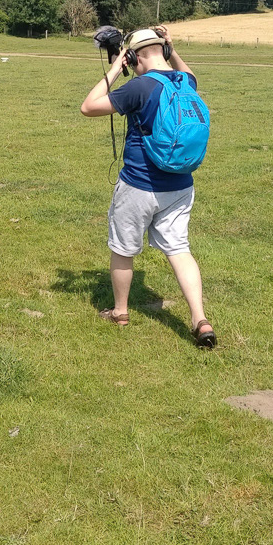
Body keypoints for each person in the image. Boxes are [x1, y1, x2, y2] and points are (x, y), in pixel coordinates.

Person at [80, 26, 216, 347]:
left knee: (123, 249)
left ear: (136, 57)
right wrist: (172, 48)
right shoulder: (187, 82)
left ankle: (120, 312)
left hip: (139, 184)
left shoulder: (139, 87)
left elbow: (88, 106)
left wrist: (115, 68)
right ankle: (200, 319)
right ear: (164, 52)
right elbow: (187, 70)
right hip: (181, 185)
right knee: (179, 250)